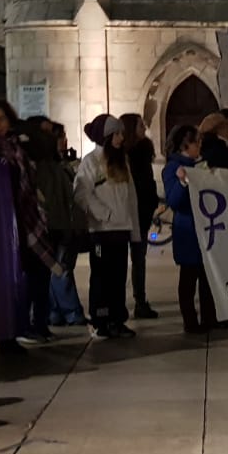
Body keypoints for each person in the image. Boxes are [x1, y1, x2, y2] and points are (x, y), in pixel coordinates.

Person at [0, 100, 61, 353]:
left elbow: (46, 145)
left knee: (12, 281)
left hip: (19, 220)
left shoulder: (18, 147)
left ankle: (9, 334)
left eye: (2, 120)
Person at [74, 114, 138, 338]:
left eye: (121, 133)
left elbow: (130, 197)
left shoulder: (122, 161)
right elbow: (82, 194)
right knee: (101, 275)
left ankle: (117, 318)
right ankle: (101, 318)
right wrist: (104, 214)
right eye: (116, 133)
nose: (121, 137)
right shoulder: (90, 162)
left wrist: (133, 227)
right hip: (101, 232)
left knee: (119, 275)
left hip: (120, 230)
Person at [163, 124, 220, 334]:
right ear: (187, 144)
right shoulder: (172, 168)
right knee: (188, 277)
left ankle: (209, 316)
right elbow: (174, 201)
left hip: (206, 228)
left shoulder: (201, 165)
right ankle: (190, 320)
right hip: (188, 229)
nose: (201, 146)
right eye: (198, 142)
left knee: (207, 276)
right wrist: (183, 181)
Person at [41, 121, 89, 326]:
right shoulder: (49, 167)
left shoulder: (62, 165)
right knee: (61, 269)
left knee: (60, 268)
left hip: (68, 225)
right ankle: (71, 311)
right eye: (60, 137)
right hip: (58, 225)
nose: (64, 141)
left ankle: (56, 312)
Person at [120, 114, 162, 321]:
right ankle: (128, 302)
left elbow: (147, 182)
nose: (144, 127)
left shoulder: (143, 151)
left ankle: (140, 301)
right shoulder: (124, 155)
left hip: (142, 211)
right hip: (125, 212)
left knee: (139, 258)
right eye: (139, 124)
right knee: (124, 260)